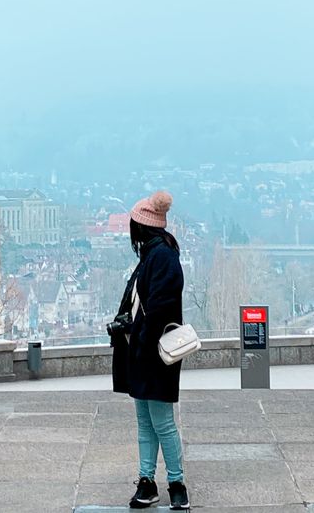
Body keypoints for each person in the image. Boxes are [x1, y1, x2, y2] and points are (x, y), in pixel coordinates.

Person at [109, 190, 190, 510]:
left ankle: (176, 483)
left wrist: (139, 336)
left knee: (161, 421)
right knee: (146, 420)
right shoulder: (156, 254)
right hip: (143, 352)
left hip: (153, 353)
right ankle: (146, 481)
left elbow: (160, 307)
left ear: (141, 227)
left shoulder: (162, 256)